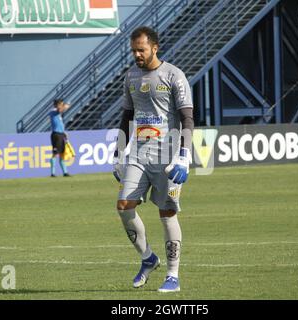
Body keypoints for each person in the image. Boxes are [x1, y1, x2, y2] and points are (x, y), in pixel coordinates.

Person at [113, 26, 194, 293]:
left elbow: (187, 119)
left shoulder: (174, 75)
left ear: (155, 48)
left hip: (168, 156)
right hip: (138, 153)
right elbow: (126, 117)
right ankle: (148, 258)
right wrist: (118, 153)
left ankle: (173, 275)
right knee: (124, 206)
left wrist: (184, 156)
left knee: (167, 213)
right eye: (133, 50)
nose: (136, 54)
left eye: (141, 50)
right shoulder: (131, 76)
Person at [49, 98, 72, 177]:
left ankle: (65, 172)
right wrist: (67, 105)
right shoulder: (53, 111)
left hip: (61, 134)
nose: (62, 105)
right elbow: (60, 110)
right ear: (57, 104)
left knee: (62, 153)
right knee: (55, 153)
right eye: (61, 104)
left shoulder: (58, 114)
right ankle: (52, 173)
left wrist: (64, 132)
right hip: (56, 135)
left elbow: (59, 124)